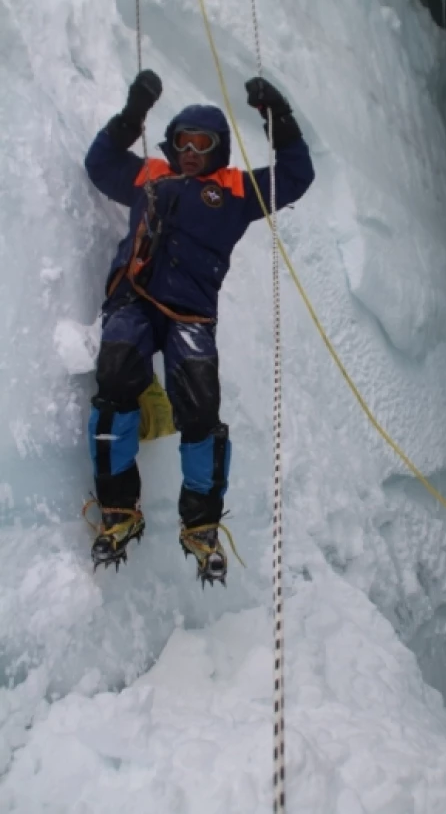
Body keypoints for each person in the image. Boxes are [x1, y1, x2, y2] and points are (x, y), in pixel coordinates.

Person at [84, 70, 315, 585]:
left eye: (202, 143)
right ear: (171, 143)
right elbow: (98, 163)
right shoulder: (151, 175)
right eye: (182, 141)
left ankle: (201, 525)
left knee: (200, 405)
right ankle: (119, 511)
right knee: (116, 375)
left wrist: (279, 117)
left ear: (219, 149)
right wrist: (131, 114)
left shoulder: (234, 192)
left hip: (191, 316)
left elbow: (297, 177)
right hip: (134, 301)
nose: (190, 152)